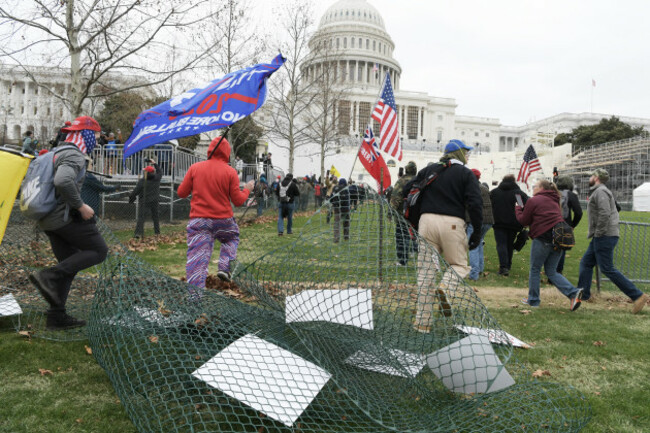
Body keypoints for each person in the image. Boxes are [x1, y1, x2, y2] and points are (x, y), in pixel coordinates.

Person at [28, 116, 108, 330]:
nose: (97, 142)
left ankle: (56, 317)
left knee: (70, 263)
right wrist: (81, 206)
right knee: (99, 250)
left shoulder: (55, 152)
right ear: (86, 135)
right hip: (62, 218)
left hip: (47, 220)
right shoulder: (74, 154)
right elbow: (62, 180)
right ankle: (48, 276)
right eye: (97, 137)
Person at [414, 139, 482, 331]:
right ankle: (446, 287)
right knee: (459, 265)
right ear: (459, 154)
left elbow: (409, 191)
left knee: (425, 273)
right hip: (452, 222)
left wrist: (417, 219)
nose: (468, 156)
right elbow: (475, 203)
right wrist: (477, 230)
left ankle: (422, 323)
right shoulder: (465, 174)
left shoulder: (429, 170)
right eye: (466, 152)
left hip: (426, 222)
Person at [177, 136, 253, 299]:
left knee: (197, 259)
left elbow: (181, 193)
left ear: (210, 150)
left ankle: (194, 298)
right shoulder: (230, 172)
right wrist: (247, 189)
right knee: (231, 238)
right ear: (227, 152)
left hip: (199, 220)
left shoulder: (195, 168)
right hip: (223, 220)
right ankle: (224, 266)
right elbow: (238, 201)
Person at [577, 169, 648, 313]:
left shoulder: (601, 192)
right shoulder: (599, 191)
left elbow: (605, 213)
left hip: (604, 236)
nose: (590, 178)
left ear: (596, 178)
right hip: (602, 235)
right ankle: (583, 296)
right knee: (586, 263)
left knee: (607, 269)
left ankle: (638, 296)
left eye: (592, 175)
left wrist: (599, 233)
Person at [515, 179, 583, 311]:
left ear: (541, 188)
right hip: (558, 239)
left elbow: (524, 221)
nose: (533, 188)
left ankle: (533, 300)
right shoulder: (554, 200)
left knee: (535, 269)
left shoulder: (533, 200)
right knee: (551, 271)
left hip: (542, 239)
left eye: (535, 186)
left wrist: (518, 208)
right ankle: (573, 293)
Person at [490, 174, 528, 276]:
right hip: (514, 223)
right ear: (514, 181)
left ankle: (503, 267)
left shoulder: (495, 192)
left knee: (501, 244)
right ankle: (508, 265)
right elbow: (522, 206)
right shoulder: (517, 194)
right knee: (509, 244)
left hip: (498, 223)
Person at [466, 169, 494, 280]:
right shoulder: (484, 189)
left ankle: (473, 274)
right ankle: (480, 269)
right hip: (488, 221)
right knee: (479, 243)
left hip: (475, 220)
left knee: (473, 245)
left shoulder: (469, 189)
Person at [389, 161, 418, 266]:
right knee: (415, 235)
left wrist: (390, 212)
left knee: (401, 237)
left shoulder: (401, 181)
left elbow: (395, 197)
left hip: (403, 214)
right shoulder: (419, 180)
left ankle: (402, 260)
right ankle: (414, 251)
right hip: (416, 214)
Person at [555, 175, 583, 274]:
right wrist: (573, 225)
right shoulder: (571, 195)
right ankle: (557, 272)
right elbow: (579, 213)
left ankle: (551, 270)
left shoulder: (554, 193)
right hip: (565, 224)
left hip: (551, 223)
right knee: (561, 249)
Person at [129, 161, 162, 238]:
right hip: (155, 201)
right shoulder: (157, 178)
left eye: (145, 171)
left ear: (146, 172)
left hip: (144, 201)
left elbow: (136, 191)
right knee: (155, 217)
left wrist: (131, 199)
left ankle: (138, 233)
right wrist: (154, 163)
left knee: (141, 218)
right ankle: (157, 232)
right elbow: (160, 171)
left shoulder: (143, 181)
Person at [330, 178, 351, 243]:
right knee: (346, 223)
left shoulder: (335, 188)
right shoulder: (346, 189)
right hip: (345, 208)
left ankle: (336, 239)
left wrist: (334, 203)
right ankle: (346, 237)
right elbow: (347, 199)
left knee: (337, 223)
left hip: (336, 208)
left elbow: (331, 198)